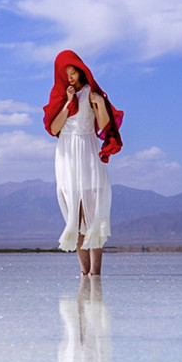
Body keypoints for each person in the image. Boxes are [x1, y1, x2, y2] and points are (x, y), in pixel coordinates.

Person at [44, 50, 123, 276]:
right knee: (75, 217)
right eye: (66, 73)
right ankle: (83, 272)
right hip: (67, 155)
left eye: (73, 71)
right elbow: (54, 128)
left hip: (87, 151)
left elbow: (104, 126)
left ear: (80, 70)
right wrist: (68, 103)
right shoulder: (59, 96)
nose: (70, 77)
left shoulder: (89, 93)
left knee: (93, 213)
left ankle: (95, 275)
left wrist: (99, 102)